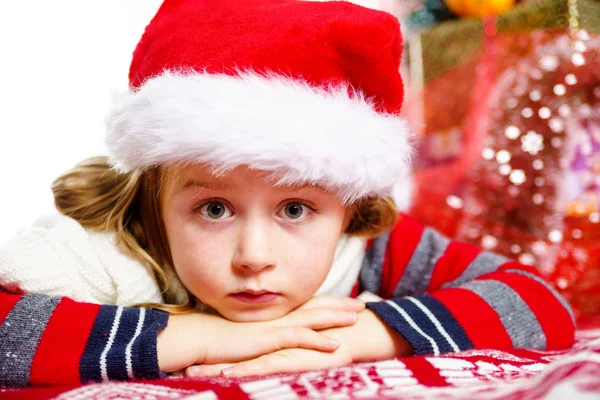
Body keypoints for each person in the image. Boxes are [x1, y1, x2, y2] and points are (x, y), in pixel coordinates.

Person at [0, 0, 574, 387]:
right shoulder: (111, 253)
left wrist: (360, 336)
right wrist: (203, 338)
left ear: (347, 205)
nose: (254, 256)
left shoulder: (364, 243)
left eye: (295, 209)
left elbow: (538, 302)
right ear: (154, 202)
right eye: (214, 208)